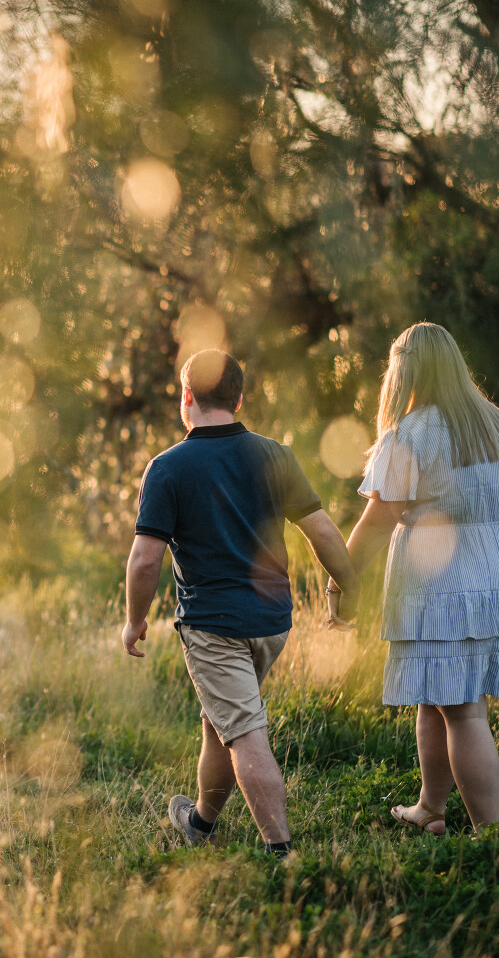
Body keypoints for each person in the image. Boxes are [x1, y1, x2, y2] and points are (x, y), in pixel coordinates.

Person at [122, 348, 359, 856]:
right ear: (239, 399)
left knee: (244, 731)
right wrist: (348, 585)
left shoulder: (168, 467)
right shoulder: (275, 455)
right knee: (222, 723)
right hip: (272, 622)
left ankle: (282, 853)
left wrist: (134, 620)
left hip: (214, 626)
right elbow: (321, 529)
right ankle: (201, 822)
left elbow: (144, 561)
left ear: (187, 397)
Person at [339, 322, 499, 834]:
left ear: (404, 371)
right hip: (497, 579)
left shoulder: (410, 435)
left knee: (465, 712)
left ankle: (489, 837)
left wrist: (339, 580)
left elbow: (378, 522)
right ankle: (431, 808)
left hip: (439, 586)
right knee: (435, 697)